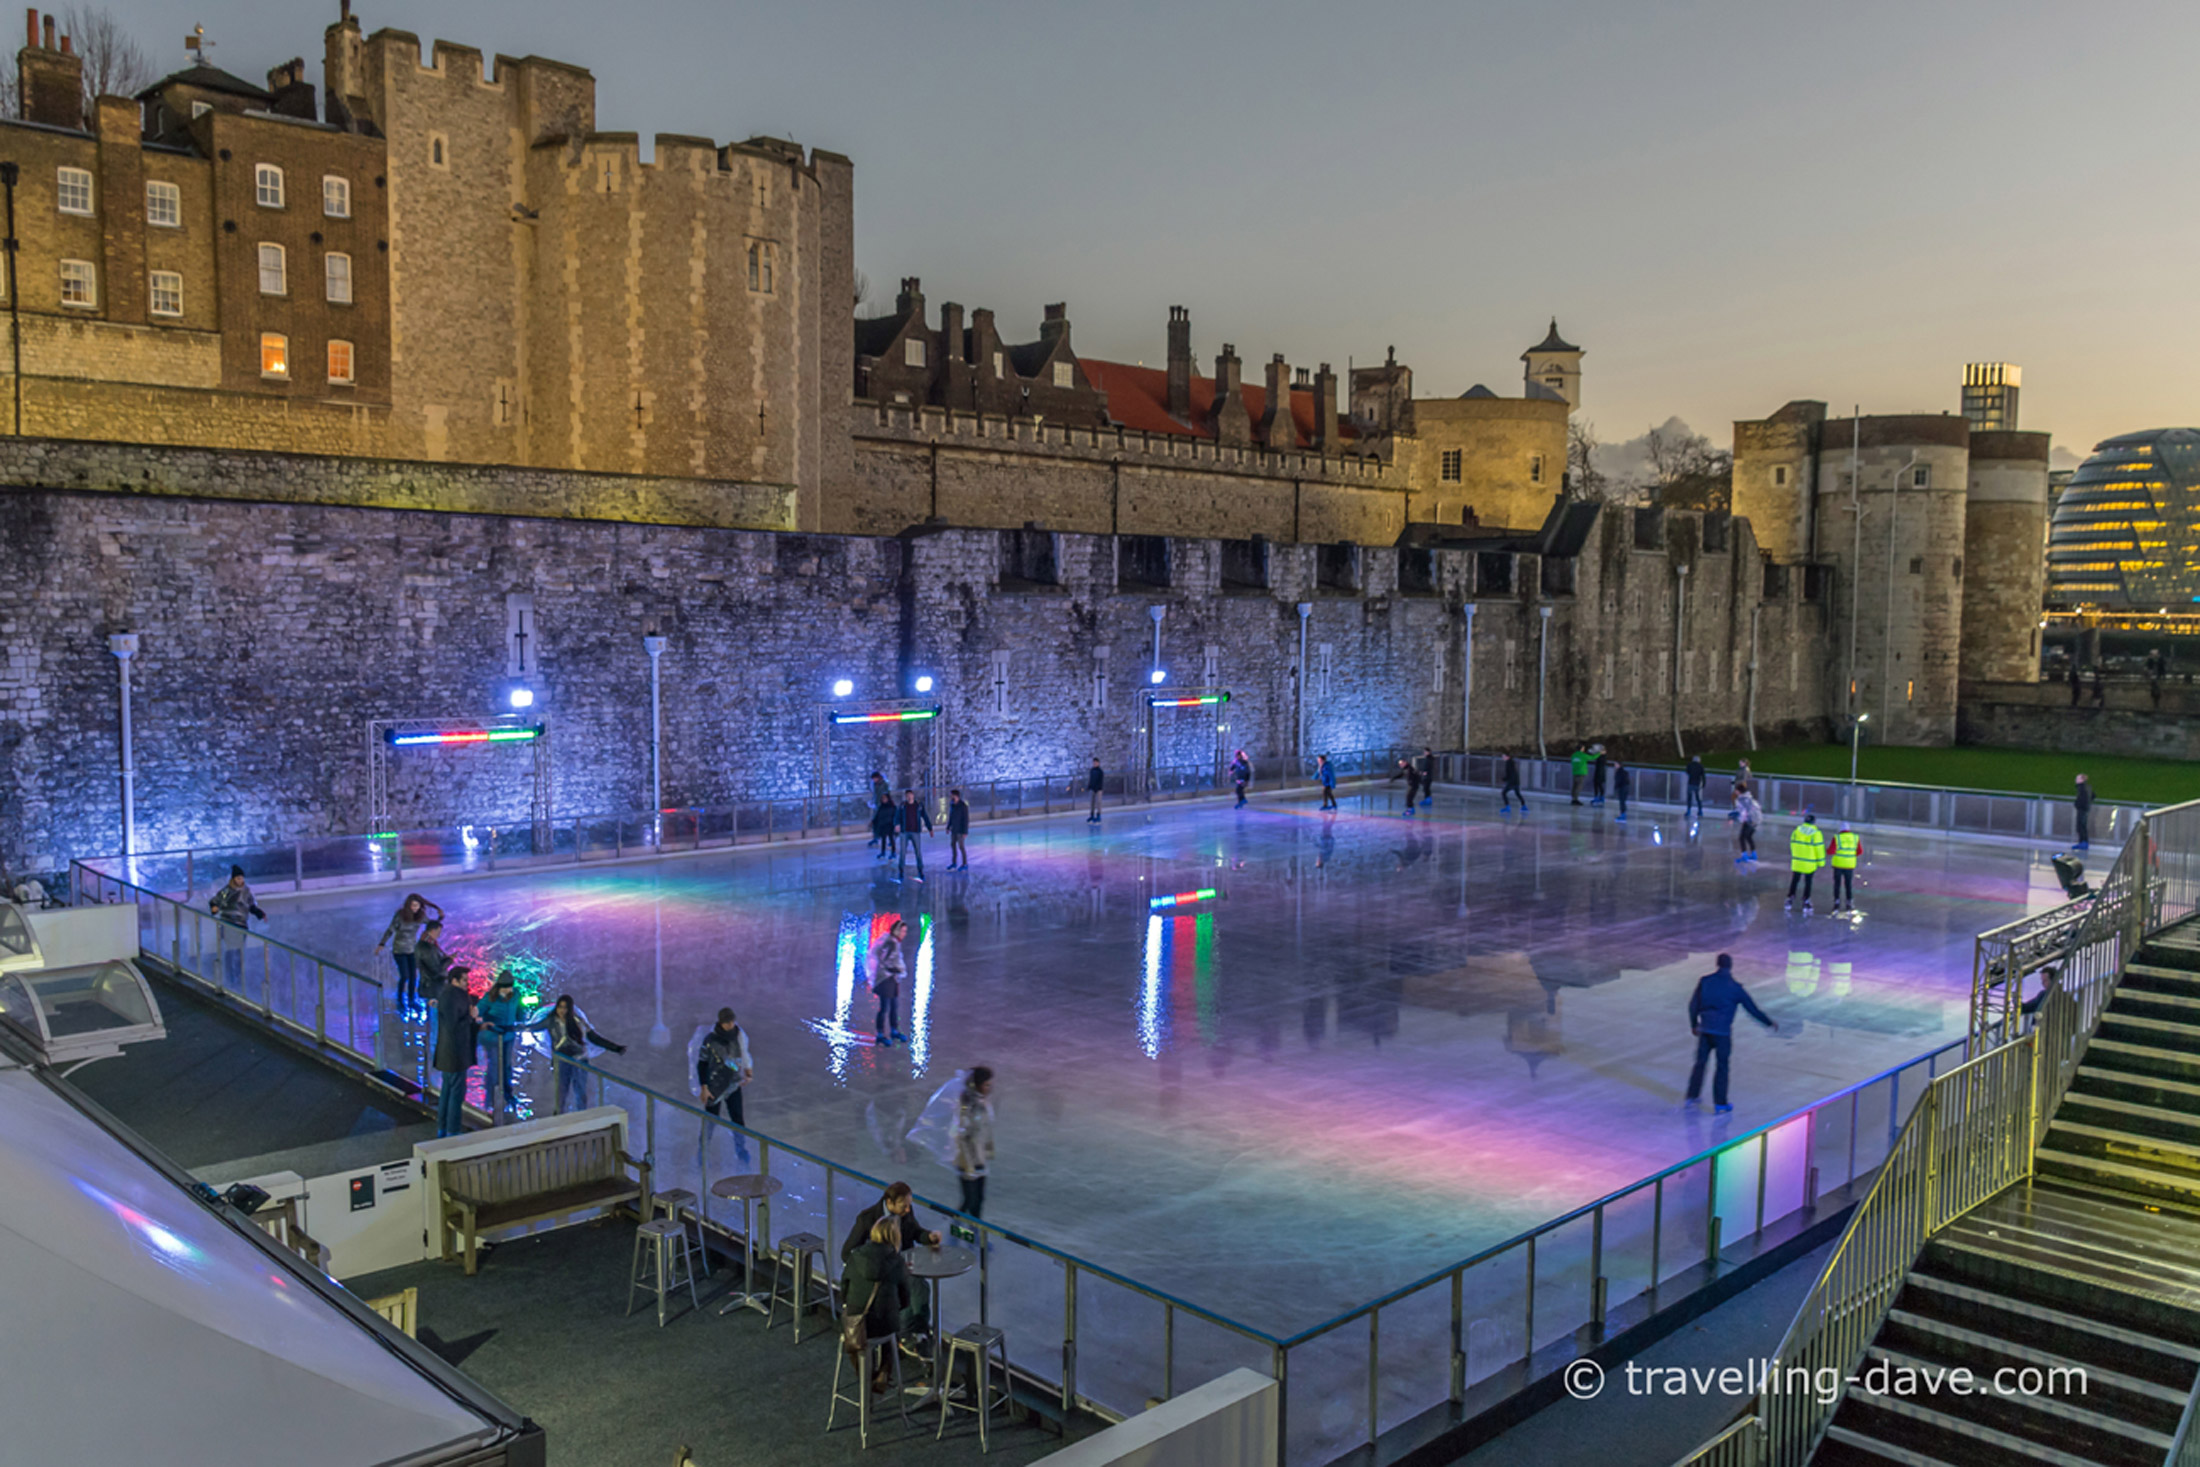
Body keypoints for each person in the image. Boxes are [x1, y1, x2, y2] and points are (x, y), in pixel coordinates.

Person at [1685, 954, 1778, 1113]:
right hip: (1722, 1034)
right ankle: (1720, 1103)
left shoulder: (1705, 982)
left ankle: (1692, 1097)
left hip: (1705, 1030)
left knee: (1700, 1063)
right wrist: (1768, 1022)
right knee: (1722, 1067)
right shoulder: (1735, 988)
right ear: (1730, 966)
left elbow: (1693, 1006)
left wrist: (1694, 1024)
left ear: (1717, 964)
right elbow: (1752, 1009)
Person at [842, 1215, 921, 1392]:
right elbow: (905, 1299)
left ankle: (865, 1375)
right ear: (895, 1237)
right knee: (891, 1326)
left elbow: (844, 1288)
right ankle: (884, 1371)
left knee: (853, 1335)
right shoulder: (898, 1262)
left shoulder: (855, 1256)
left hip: (858, 1322)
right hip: (885, 1325)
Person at [534, 993, 626, 1115]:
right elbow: (532, 1027)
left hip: (579, 1059)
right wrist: (511, 1028)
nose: (562, 1010)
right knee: (561, 1091)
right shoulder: (550, 1021)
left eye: (565, 1008)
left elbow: (594, 1038)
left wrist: (615, 1048)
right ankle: (559, 1117)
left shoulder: (578, 1022)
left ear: (569, 1009)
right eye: (560, 1007)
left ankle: (581, 1116)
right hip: (561, 1060)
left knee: (580, 1090)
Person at [839, 1179, 943, 1265]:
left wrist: (929, 1236)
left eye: (909, 1205)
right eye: (903, 1206)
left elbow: (915, 1231)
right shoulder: (867, 1220)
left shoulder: (905, 1212)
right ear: (889, 1202)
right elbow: (847, 1254)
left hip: (903, 1269)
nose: (907, 1210)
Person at [373, 892, 444, 1013]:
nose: (415, 908)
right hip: (399, 950)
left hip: (412, 949)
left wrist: (440, 916)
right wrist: (382, 943)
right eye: (413, 906)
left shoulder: (420, 916)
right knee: (404, 975)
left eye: (417, 906)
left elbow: (431, 924)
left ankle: (411, 1000)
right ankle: (400, 1000)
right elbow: (390, 930)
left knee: (413, 976)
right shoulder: (400, 916)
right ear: (408, 905)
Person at [699, 1007, 754, 1163]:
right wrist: (704, 1086)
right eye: (727, 1022)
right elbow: (702, 1063)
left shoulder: (739, 1035)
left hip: (733, 1084)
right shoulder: (710, 1040)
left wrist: (748, 1071)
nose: (730, 1025)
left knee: (737, 1119)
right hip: (714, 1086)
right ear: (721, 1023)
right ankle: (703, 1152)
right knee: (710, 1121)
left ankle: (741, 1151)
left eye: (731, 1021)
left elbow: (744, 1053)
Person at [431, 973, 479, 1138]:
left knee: (447, 1091)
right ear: (455, 980)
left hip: (447, 1053)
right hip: (455, 1053)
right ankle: (453, 1130)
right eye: (464, 979)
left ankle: (442, 1128)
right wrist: (471, 1018)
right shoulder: (454, 997)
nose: (467, 983)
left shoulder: (447, 995)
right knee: (456, 1094)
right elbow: (454, 1024)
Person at [207, 866, 264, 991]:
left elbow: (251, 906)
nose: (240, 880)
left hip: (241, 924)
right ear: (234, 878)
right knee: (230, 950)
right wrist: (214, 908)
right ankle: (230, 976)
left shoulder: (246, 891)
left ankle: (237, 976)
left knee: (238, 950)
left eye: (241, 878)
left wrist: (260, 914)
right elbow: (215, 901)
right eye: (238, 878)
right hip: (228, 923)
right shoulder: (227, 891)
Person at [951, 1066, 996, 1219]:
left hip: (979, 1157)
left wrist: (988, 1148)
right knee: (971, 1201)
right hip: (967, 1160)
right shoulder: (967, 1106)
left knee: (977, 1200)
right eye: (987, 1085)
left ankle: (968, 1231)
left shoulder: (983, 1102)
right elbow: (960, 1136)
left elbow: (986, 1128)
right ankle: (967, 1233)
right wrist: (968, 1164)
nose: (990, 1088)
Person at [870, 918, 908, 1047]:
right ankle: (880, 1034)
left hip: (891, 979)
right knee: (885, 1006)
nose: (904, 934)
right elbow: (883, 958)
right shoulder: (890, 943)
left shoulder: (894, 942)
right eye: (903, 931)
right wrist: (893, 969)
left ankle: (893, 1030)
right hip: (885, 979)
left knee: (893, 1006)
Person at [1786, 812, 1827, 914]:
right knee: (1808, 882)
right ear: (1814, 822)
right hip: (1810, 863)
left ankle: (1790, 898)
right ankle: (1806, 899)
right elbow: (1819, 849)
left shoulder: (1796, 832)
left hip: (1797, 861)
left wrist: (1796, 857)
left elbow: (1792, 845)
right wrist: (1821, 863)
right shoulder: (1816, 834)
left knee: (1795, 880)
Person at [414, 919, 456, 1003]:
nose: (439, 935)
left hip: (431, 988)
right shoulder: (427, 947)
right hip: (433, 989)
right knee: (436, 1014)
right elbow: (436, 969)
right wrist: (449, 960)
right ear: (433, 931)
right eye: (438, 931)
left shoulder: (428, 944)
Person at [897, 789, 932, 882]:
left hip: (915, 832)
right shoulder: (902, 806)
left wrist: (930, 828)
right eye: (907, 795)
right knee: (902, 853)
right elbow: (897, 816)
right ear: (906, 797)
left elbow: (925, 816)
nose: (909, 797)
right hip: (905, 832)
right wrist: (896, 824)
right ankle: (901, 871)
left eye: (910, 795)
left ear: (913, 796)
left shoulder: (918, 806)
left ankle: (920, 871)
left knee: (918, 852)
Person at [1828, 823, 1862, 914]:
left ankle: (1836, 902)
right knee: (1848, 884)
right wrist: (1850, 856)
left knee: (1837, 884)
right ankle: (1849, 902)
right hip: (1849, 865)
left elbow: (1831, 851)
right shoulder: (1855, 837)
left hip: (1838, 865)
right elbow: (1859, 851)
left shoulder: (1837, 838)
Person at [1734, 786, 1762, 864]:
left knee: (1741, 838)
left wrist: (1741, 819)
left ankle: (1744, 856)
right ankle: (1754, 854)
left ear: (1739, 791)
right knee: (1748, 836)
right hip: (1756, 820)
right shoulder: (1750, 798)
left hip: (1749, 820)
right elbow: (1758, 808)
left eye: (1736, 790)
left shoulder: (1741, 799)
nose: (1735, 792)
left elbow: (1744, 811)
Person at [946, 788, 971, 870]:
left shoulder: (963, 806)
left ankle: (965, 863)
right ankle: (954, 863)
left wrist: (965, 832)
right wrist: (948, 827)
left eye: (951, 795)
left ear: (955, 795)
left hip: (960, 830)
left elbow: (966, 819)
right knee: (953, 845)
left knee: (961, 847)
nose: (950, 797)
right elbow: (951, 817)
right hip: (954, 830)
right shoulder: (952, 805)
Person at [869, 793, 897, 860]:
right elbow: (877, 816)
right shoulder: (881, 807)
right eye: (882, 798)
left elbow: (896, 816)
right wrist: (873, 822)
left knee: (891, 839)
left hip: (890, 825)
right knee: (883, 839)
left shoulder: (892, 807)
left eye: (885, 798)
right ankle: (883, 852)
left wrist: (896, 824)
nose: (884, 800)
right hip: (883, 825)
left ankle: (893, 853)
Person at [2073, 773, 2094, 851]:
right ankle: (2083, 842)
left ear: (2082, 780)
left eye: (2077, 778)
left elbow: (2081, 798)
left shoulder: (2082, 788)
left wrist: (2077, 804)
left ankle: (2083, 843)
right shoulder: (2087, 787)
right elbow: (2093, 795)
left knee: (2080, 826)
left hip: (2082, 809)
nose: (2076, 780)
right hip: (2085, 808)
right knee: (2082, 826)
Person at [1684, 755, 1706, 820]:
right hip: (1697, 783)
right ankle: (1700, 811)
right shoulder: (1700, 766)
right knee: (1698, 798)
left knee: (1689, 798)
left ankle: (1688, 810)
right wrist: (1704, 783)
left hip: (1690, 782)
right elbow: (1703, 776)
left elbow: (1687, 771)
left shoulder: (1690, 765)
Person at [1084, 758, 1105, 822]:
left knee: (1098, 802)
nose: (1094, 764)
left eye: (1096, 762)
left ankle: (1098, 815)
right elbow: (1091, 779)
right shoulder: (1092, 770)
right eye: (1094, 762)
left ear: (1098, 763)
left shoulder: (1100, 771)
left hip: (1098, 789)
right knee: (1092, 803)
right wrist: (1089, 786)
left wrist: (1098, 788)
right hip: (1092, 789)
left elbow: (1100, 781)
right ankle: (1092, 815)